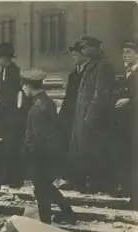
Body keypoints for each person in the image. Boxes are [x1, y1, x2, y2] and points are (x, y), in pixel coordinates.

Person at [21, 69, 76, 224]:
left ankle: (45, 222)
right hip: (49, 154)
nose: (23, 90)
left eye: (24, 87)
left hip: (41, 156)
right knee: (45, 186)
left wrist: (29, 153)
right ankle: (68, 214)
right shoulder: (46, 102)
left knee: (41, 189)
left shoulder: (38, 108)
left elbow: (39, 138)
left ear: (28, 86)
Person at [67, 36, 116, 193]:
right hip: (82, 113)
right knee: (81, 149)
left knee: (93, 150)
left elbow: (100, 94)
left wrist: (90, 116)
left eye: (86, 47)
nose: (83, 50)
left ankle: (95, 184)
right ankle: (80, 181)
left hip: (92, 116)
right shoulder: (91, 65)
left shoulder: (103, 65)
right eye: (82, 47)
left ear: (95, 48)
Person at [0, 42, 25, 188]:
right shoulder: (0, 74)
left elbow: (20, 92)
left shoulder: (15, 72)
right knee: (4, 145)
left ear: (5, 57)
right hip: (2, 113)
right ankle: (4, 176)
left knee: (13, 146)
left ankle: (16, 178)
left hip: (13, 113)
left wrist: (18, 111)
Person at [114, 40, 138, 209]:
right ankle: (131, 193)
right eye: (123, 51)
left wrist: (128, 102)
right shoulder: (130, 72)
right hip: (128, 124)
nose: (125, 55)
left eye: (129, 52)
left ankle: (137, 198)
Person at [58, 41, 89, 183]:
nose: (74, 58)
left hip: (81, 113)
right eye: (73, 55)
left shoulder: (88, 73)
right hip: (69, 113)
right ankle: (68, 175)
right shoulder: (73, 74)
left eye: (76, 55)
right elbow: (68, 97)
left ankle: (78, 177)